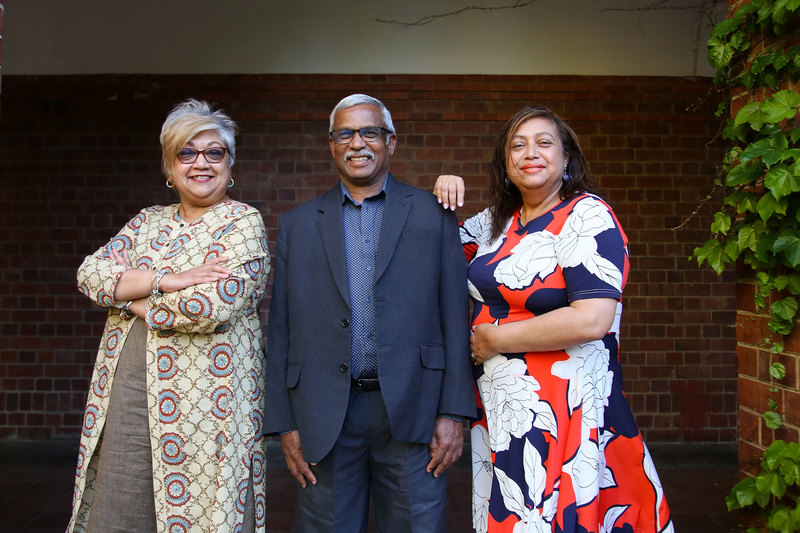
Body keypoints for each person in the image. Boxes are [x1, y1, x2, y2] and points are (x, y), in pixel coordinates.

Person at [433, 105, 673, 532]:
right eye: (518, 145)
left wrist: (493, 341)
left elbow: (592, 319)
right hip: (505, 411)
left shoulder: (586, 216)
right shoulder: (496, 223)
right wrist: (442, 200)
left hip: (566, 408)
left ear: (567, 160)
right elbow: (432, 252)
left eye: (545, 143)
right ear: (505, 166)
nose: (531, 153)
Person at [263, 93, 476, 532]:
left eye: (370, 132)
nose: (357, 142)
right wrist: (284, 423)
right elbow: (281, 329)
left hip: (414, 410)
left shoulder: (433, 214)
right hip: (324, 415)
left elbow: (456, 318)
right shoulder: (299, 224)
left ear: (391, 142)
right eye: (345, 133)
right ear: (331, 144)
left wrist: (454, 412)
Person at [68, 99, 271, 533]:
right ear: (169, 165)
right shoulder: (146, 222)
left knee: (203, 510)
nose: (201, 163)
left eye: (214, 152)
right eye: (187, 153)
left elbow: (210, 306)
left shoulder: (243, 223)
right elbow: (90, 274)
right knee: (121, 502)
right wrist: (167, 278)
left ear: (230, 162)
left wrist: (131, 297)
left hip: (209, 401)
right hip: (128, 388)